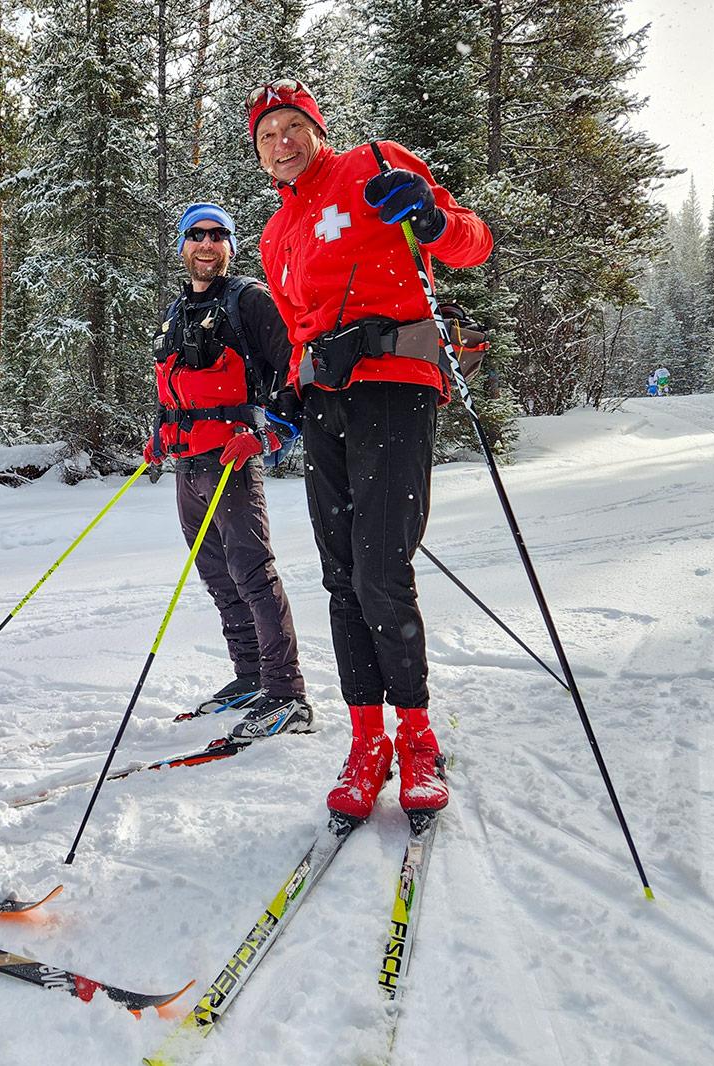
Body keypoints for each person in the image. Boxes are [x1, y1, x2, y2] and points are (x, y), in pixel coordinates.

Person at [245, 80, 492, 821]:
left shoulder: (373, 164)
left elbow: (471, 242)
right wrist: (290, 391)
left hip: (394, 385)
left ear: (317, 130)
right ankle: (366, 740)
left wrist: (431, 217)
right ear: (258, 154)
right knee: (341, 575)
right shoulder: (274, 234)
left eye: (293, 126)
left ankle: (417, 737)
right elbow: (298, 326)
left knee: (382, 568)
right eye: (267, 135)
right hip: (326, 403)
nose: (282, 143)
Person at [145, 203, 311, 738]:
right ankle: (251, 675)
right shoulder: (176, 311)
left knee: (253, 574)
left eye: (218, 235)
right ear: (182, 244)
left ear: (230, 247)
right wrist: (160, 432)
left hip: (232, 463)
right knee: (218, 576)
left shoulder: (249, 300)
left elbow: (295, 367)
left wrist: (272, 432)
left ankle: (287, 693)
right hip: (187, 465)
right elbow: (173, 384)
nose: (207, 244)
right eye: (196, 234)